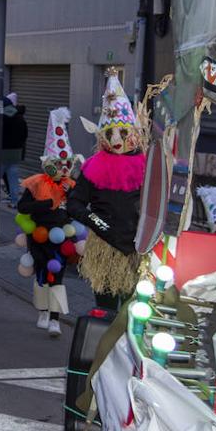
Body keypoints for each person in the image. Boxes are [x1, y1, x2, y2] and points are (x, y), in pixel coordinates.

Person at [66, 69, 146, 310]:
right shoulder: (94, 167)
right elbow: (74, 204)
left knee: (134, 313)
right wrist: (99, 224)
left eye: (123, 132)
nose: (117, 140)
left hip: (137, 251)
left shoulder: (147, 166)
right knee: (106, 312)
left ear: (134, 133)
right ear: (102, 136)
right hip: (105, 249)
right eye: (110, 133)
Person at [16, 108, 82, 337]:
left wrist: (69, 196)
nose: (62, 169)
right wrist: (44, 205)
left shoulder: (71, 187)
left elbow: (77, 210)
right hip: (39, 236)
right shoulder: (36, 184)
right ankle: (43, 311)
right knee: (42, 274)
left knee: (58, 276)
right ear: (48, 163)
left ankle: (55, 319)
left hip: (61, 236)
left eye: (65, 165)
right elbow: (22, 207)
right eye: (58, 163)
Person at [1, 93, 28, 208]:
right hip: (16, 151)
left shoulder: (2, 118)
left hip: (3, 151)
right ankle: (14, 201)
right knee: (13, 177)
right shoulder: (20, 117)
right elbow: (25, 134)